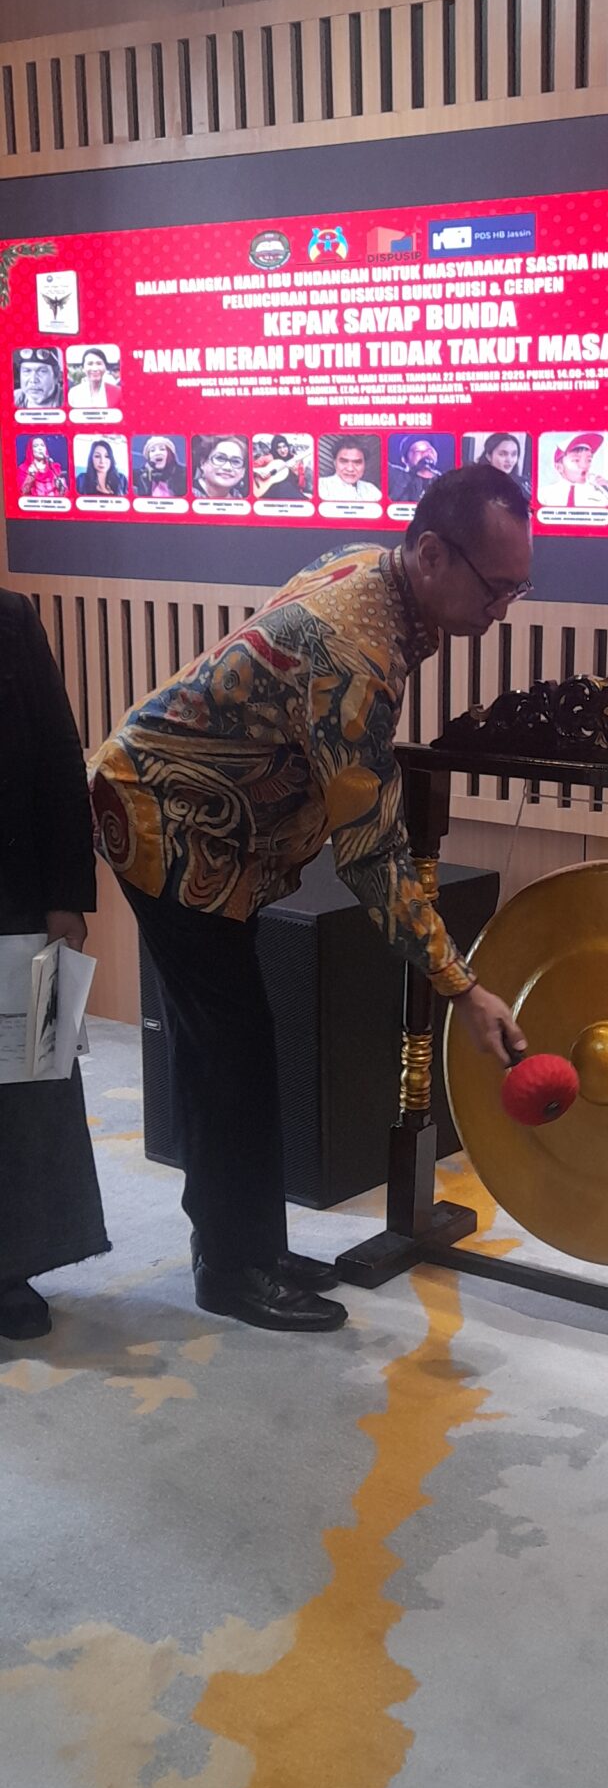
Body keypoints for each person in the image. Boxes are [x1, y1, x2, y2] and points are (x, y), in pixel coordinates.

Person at [90, 464, 531, 1336]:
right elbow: (372, 855)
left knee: (232, 1046)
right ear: (432, 554)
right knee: (231, 1054)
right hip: (166, 823)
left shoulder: (376, 573)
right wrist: (463, 987)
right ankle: (232, 1267)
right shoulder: (352, 653)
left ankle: (248, 1243)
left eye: (519, 588)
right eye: (495, 587)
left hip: (211, 825)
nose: (502, 610)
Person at [0, 591, 108, 1340]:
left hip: (19, 894)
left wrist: (69, 897)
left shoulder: (12, 621)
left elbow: (59, 761)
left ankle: (13, 1266)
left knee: (34, 1084)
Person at [548, 434, 608, 509]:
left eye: (589, 460)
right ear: (559, 467)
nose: (584, 466)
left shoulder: (602, 495)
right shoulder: (545, 495)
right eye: (576, 460)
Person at [318, 437, 380, 504]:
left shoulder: (371, 490)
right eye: (344, 461)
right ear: (335, 463)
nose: (350, 469)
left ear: (365, 464)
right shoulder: (321, 486)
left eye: (357, 462)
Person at [253, 433, 311, 502]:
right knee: (284, 486)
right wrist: (259, 471)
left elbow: (301, 485)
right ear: (274, 448)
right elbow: (248, 468)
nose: (283, 450)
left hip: (291, 492)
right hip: (269, 492)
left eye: (284, 446)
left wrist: (295, 472)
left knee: (287, 486)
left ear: (288, 447)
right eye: (279, 448)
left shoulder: (296, 461)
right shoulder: (267, 459)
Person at [388, 435, 447, 501]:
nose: (425, 453)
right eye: (417, 451)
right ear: (404, 460)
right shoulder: (396, 478)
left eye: (429, 450)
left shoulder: (447, 482)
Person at [193, 436, 249, 500]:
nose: (227, 467)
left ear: (243, 471)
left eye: (236, 461)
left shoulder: (240, 498)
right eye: (220, 458)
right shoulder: (186, 490)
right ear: (203, 463)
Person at [13, 348, 63, 413]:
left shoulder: (70, 399)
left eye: (42, 371)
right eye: (27, 371)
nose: (33, 380)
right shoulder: (13, 397)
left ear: (57, 376)